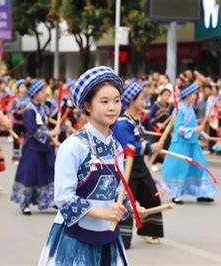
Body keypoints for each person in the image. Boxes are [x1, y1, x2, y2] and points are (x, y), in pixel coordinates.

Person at [39, 66, 144, 265]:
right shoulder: (73, 146)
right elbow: (63, 198)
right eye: (104, 102)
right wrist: (103, 212)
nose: (112, 107)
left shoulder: (115, 146)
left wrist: (131, 206)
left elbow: (117, 192)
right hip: (75, 237)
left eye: (116, 101)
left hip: (107, 233)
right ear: (87, 105)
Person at [113, 82, 165, 248]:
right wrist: (151, 147)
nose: (144, 101)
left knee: (152, 195)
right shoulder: (121, 123)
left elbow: (140, 140)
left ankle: (149, 231)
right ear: (132, 101)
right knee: (127, 201)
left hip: (139, 165)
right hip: (127, 167)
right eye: (141, 98)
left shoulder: (135, 120)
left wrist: (151, 146)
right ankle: (122, 238)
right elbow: (129, 146)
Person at [11, 80, 60, 215]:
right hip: (33, 147)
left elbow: (44, 125)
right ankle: (24, 203)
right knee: (30, 174)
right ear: (36, 94)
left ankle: (50, 201)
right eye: (43, 92)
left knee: (49, 173)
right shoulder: (28, 110)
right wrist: (51, 134)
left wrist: (52, 139)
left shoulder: (42, 108)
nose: (45, 94)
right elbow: (32, 130)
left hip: (45, 147)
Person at [162, 82, 216, 204]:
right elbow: (178, 128)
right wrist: (195, 130)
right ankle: (176, 195)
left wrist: (202, 134)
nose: (196, 96)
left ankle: (202, 193)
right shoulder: (179, 108)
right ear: (187, 95)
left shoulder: (190, 108)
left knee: (200, 166)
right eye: (194, 94)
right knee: (180, 169)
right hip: (180, 144)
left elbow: (194, 126)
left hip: (192, 143)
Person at [9, 79, 30, 164]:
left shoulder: (29, 99)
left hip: (26, 122)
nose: (24, 88)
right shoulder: (15, 100)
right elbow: (10, 110)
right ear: (18, 89)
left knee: (27, 139)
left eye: (25, 86)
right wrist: (17, 112)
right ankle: (16, 157)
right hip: (17, 122)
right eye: (22, 86)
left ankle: (25, 156)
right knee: (16, 140)